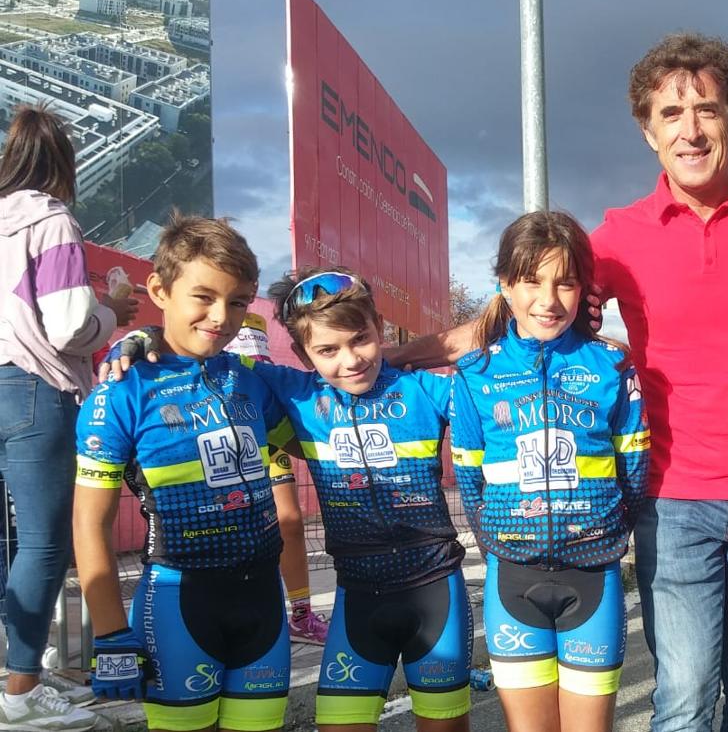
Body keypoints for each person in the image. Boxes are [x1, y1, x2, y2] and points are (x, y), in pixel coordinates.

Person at [387, 32, 728, 732]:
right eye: (670, 113)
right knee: (683, 696)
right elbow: (526, 313)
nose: (690, 130)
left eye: (707, 110)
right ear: (648, 131)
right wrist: (393, 359)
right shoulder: (620, 236)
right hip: (673, 495)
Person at [104, 269, 475, 732]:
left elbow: (501, 336)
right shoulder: (296, 393)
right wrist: (149, 335)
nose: (350, 360)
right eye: (327, 350)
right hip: (357, 600)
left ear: (379, 326)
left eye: (361, 339)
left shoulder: (424, 390)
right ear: (302, 354)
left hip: (436, 591)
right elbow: (204, 352)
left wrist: (403, 353)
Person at [73, 216, 292, 732]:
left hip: (264, 599)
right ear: (159, 290)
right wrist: (110, 632)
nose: (221, 316)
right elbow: (89, 523)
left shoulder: (250, 380)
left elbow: (312, 436)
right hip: (178, 602)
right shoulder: (121, 390)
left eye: (237, 302)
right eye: (204, 297)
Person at [448, 210, 649, 732]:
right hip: (512, 577)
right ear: (505, 285)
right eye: (531, 281)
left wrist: (607, 530)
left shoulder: (613, 365)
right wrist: (497, 538)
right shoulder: (475, 372)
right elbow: (469, 479)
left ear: (583, 288)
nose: (549, 299)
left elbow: (634, 468)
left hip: (594, 574)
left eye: (565, 282)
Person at [0, 104, 136, 731]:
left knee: (10, 543)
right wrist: (113, 311)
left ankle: (17, 669)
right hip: (35, 387)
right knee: (44, 540)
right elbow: (68, 327)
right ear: (63, 162)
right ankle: (22, 691)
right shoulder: (51, 220)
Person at [224, 313, 329, 645]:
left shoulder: (255, 326)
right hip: (222, 438)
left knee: (290, 521)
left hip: (265, 433)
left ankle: (301, 615)